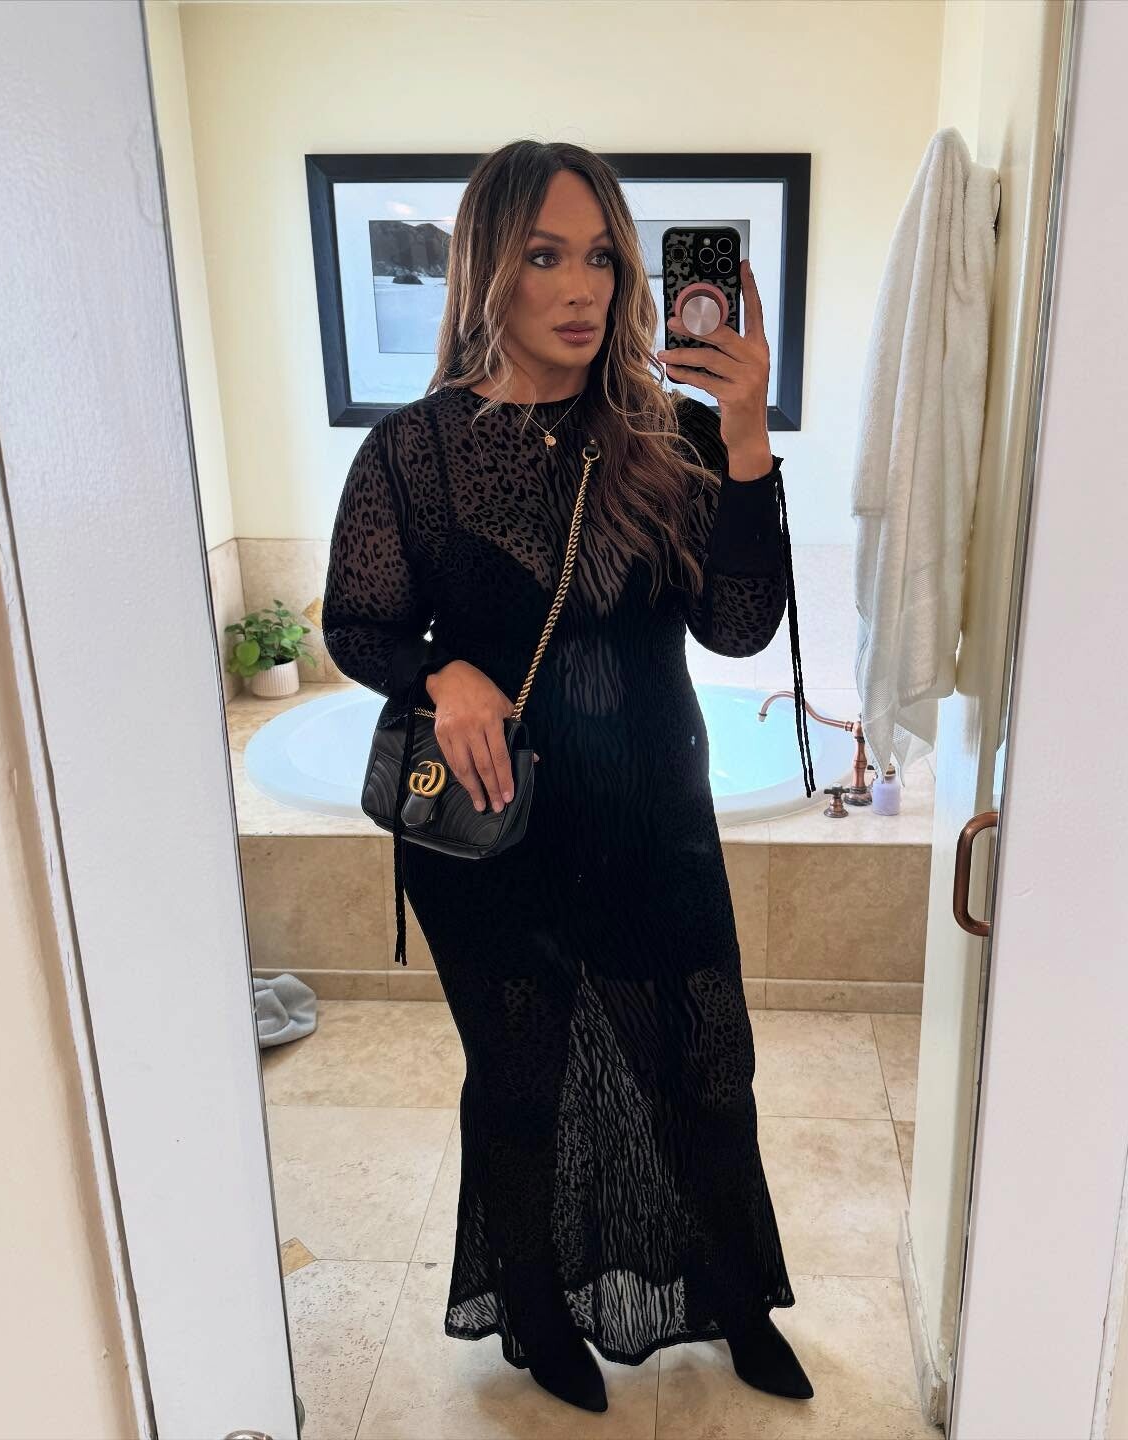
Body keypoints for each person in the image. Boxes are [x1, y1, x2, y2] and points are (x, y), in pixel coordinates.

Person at [321, 139, 816, 1414]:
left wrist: (747, 434)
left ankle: (736, 1301)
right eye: (545, 254)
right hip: (494, 832)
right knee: (521, 1079)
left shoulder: (673, 436)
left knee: (705, 1066)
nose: (581, 286)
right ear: (490, 265)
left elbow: (740, 631)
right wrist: (442, 672)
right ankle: (537, 1318)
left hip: (653, 817)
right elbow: (355, 623)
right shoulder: (416, 454)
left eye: (601, 255)